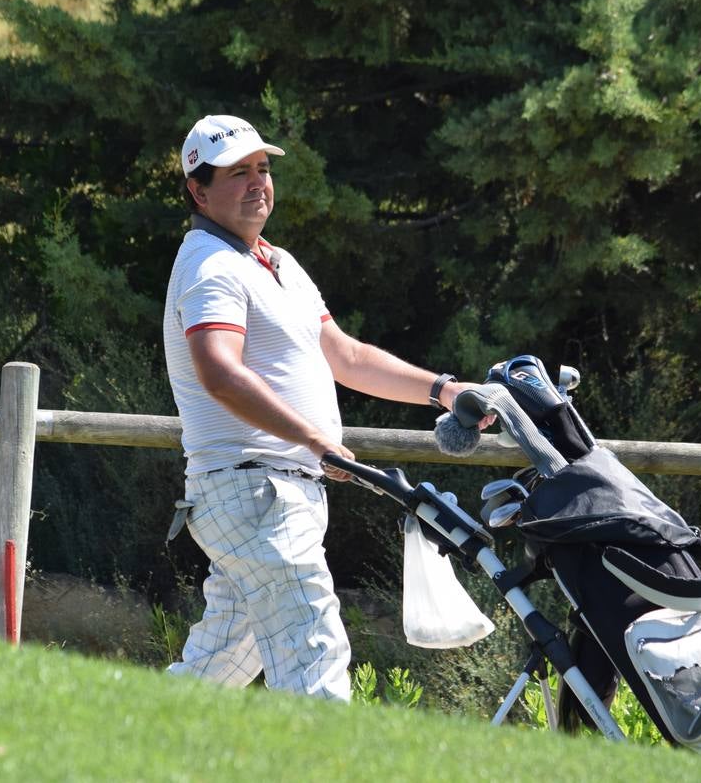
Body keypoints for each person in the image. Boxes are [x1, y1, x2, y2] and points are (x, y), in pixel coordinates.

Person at [162, 114, 480, 702]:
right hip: (254, 492)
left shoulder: (275, 261)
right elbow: (220, 374)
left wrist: (444, 389)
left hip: (271, 494)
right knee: (316, 655)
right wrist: (315, 439)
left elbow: (348, 356)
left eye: (263, 168)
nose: (259, 182)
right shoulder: (211, 267)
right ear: (198, 191)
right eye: (239, 173)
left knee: (215, 672)